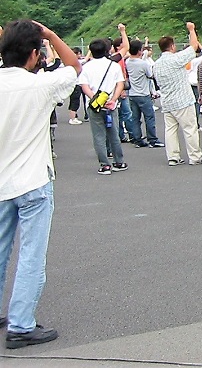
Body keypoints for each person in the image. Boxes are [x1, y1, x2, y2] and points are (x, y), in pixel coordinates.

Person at [0, 20, 81, 349]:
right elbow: (75, 66)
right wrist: (49, 34)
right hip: (33, 180)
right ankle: (20, 324)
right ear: (35, 55)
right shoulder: (41, 85)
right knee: (31, 255)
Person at [153, 22, 202, 166]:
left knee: (170, 130)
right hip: (182, 100)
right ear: (172, 46)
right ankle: (195, 156)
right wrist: (191, 30)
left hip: (167, 101)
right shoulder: (176, 59)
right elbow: (194, 47)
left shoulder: (156, 64)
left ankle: (173, 156)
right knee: (190, 129)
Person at [79, 38, 128, 174]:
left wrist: (95, 99)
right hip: (111, 106)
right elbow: (120, 84)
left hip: (95, 106)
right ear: (107, 50)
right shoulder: (113, 66)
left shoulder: (86, 67)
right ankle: (119, 161)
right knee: (114, 134)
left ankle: (105, 165)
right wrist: (113, 99)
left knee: (98, 136)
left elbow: (84, 86)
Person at [125, 39, 163, 148]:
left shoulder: (127, 62)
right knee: (149, 117)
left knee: (135, 118)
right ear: (139, 51)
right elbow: (150, 75)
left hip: (132, 94)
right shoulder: (143, 64)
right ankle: (152, 139)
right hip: (143, 93)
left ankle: (137, 139)